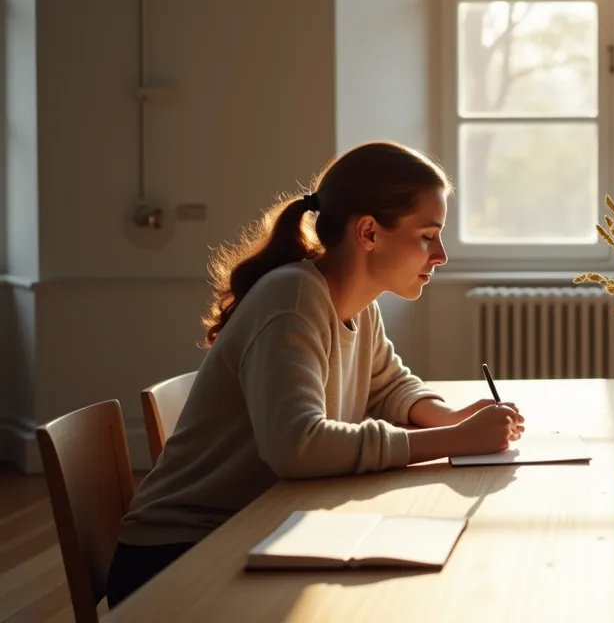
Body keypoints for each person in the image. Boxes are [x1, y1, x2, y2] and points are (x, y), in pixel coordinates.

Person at [106, 141, 524, 606]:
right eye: (428, 235)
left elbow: (388, 385)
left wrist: (451, 418)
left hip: (259, 529)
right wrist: (455, 441)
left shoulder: (356, 303)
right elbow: (297, 447)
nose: (441, 254)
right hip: (180, 557)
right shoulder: (292, 297)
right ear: (369, 232)